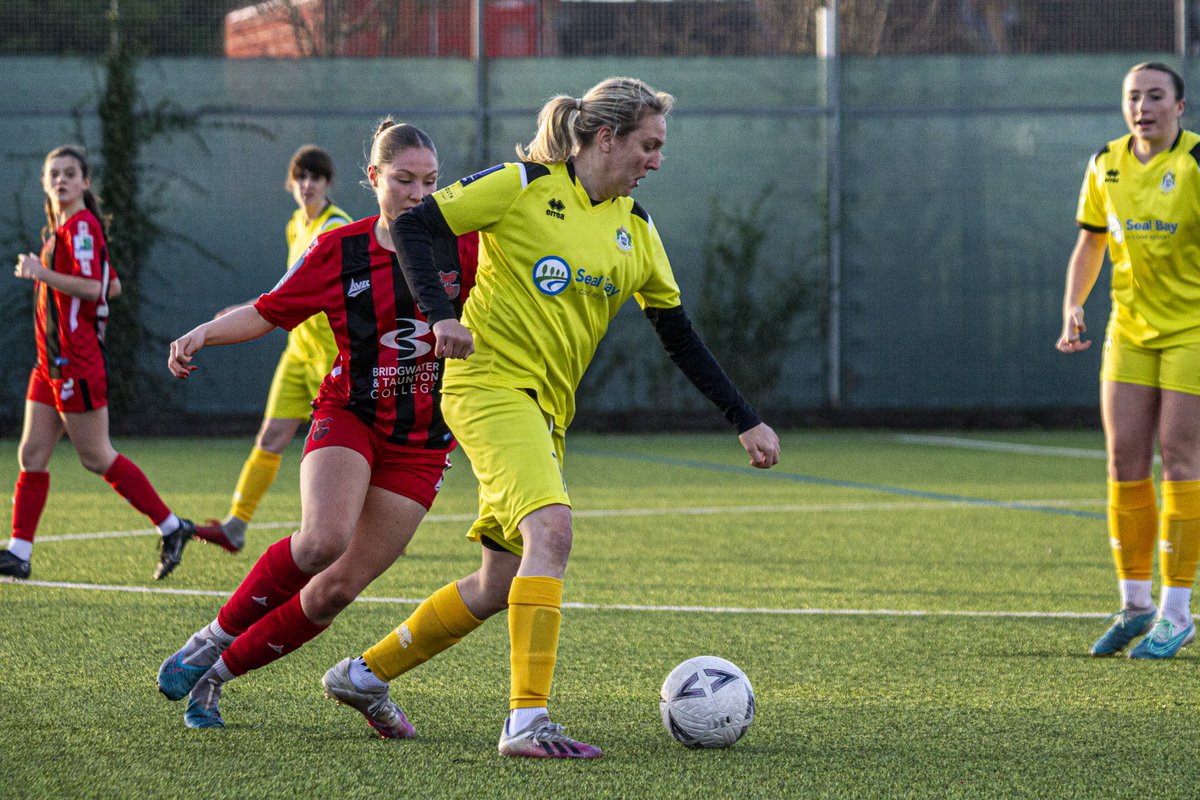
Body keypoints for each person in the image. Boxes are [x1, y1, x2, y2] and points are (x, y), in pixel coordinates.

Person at [320, 76, 780, 759]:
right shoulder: (523, 184)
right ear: (605, 137)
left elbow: (677, 333)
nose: (657, 159)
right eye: (648, 145)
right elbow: (415, 224)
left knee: (499, 582)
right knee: (552, 531)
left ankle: (363, 674)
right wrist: (443, 317)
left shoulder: (637, 230)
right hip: (487, 387)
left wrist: (744, 417)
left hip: (546, 411)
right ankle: (526, 722)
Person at [155, 120, 478, 729]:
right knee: (320, 541)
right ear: (373, 178)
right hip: (350, 416)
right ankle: (210, 639)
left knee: (335, 590)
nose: (417, 194)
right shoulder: (339, 250)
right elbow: (268, 311)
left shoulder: (464, 246)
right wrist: (203, 332)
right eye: (404, 180)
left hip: (423, 445)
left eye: (430, 183)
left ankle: (213, 678)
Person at [2, 145, 217, 581]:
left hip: (75, 361)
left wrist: (41, 274)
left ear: (85, 182)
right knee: (31, 453)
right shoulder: (63, 229)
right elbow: (111, 284)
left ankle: (173, 527)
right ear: (45, 183)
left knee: (97, 456)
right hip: (51, 361)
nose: (60, 180)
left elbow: (91, 287)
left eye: (69, 173)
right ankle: (19, 553)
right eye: (53, 174)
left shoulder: (80, 228)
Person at [1059, 62, 1200, 660]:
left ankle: (1177, 612)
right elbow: (1092, 240)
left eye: (1155, 96)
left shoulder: (1195, 164)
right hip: (1130, 332)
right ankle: (1136, 605)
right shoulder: (1105, 163)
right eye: (1132, 97)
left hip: (1193, 330)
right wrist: (1073, 304)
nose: (1143, 106)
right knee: (1123, 460)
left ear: (1180, 107)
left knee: (1181, 457)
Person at [196, 145, 353, 554]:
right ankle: (236, 525)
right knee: (270, 437)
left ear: (327, 183)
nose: (307, 184)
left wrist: (250, 307)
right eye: (301, 177)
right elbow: (290, 288)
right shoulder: (294, 226)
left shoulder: (336, 227)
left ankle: (373, 524)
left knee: (346, 444)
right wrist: (250, 307)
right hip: (299, 352)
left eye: (315, 177)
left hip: (334, 356)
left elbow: (313, 292)